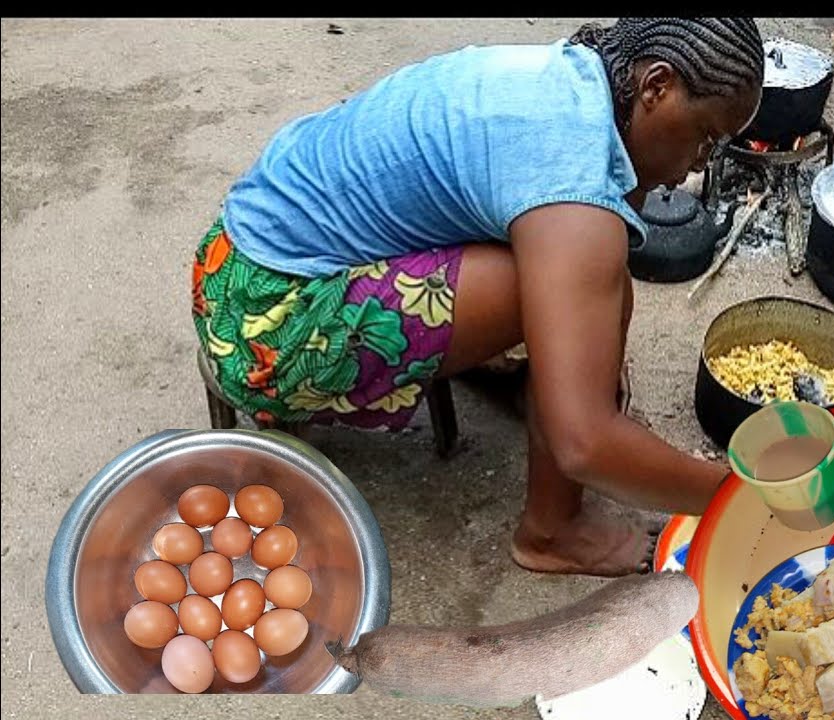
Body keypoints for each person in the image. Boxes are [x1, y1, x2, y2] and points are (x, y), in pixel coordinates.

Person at [191, 18, 765, 577]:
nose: (698, 166)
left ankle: (522, 383)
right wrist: (745, 493)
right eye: (705, 138)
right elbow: (585, 445)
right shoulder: (572, 173)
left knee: (579, 283)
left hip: (232, 253)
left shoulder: (576, 79)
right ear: (656, 86)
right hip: (269, 324)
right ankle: (551, 532)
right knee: (590, 286)